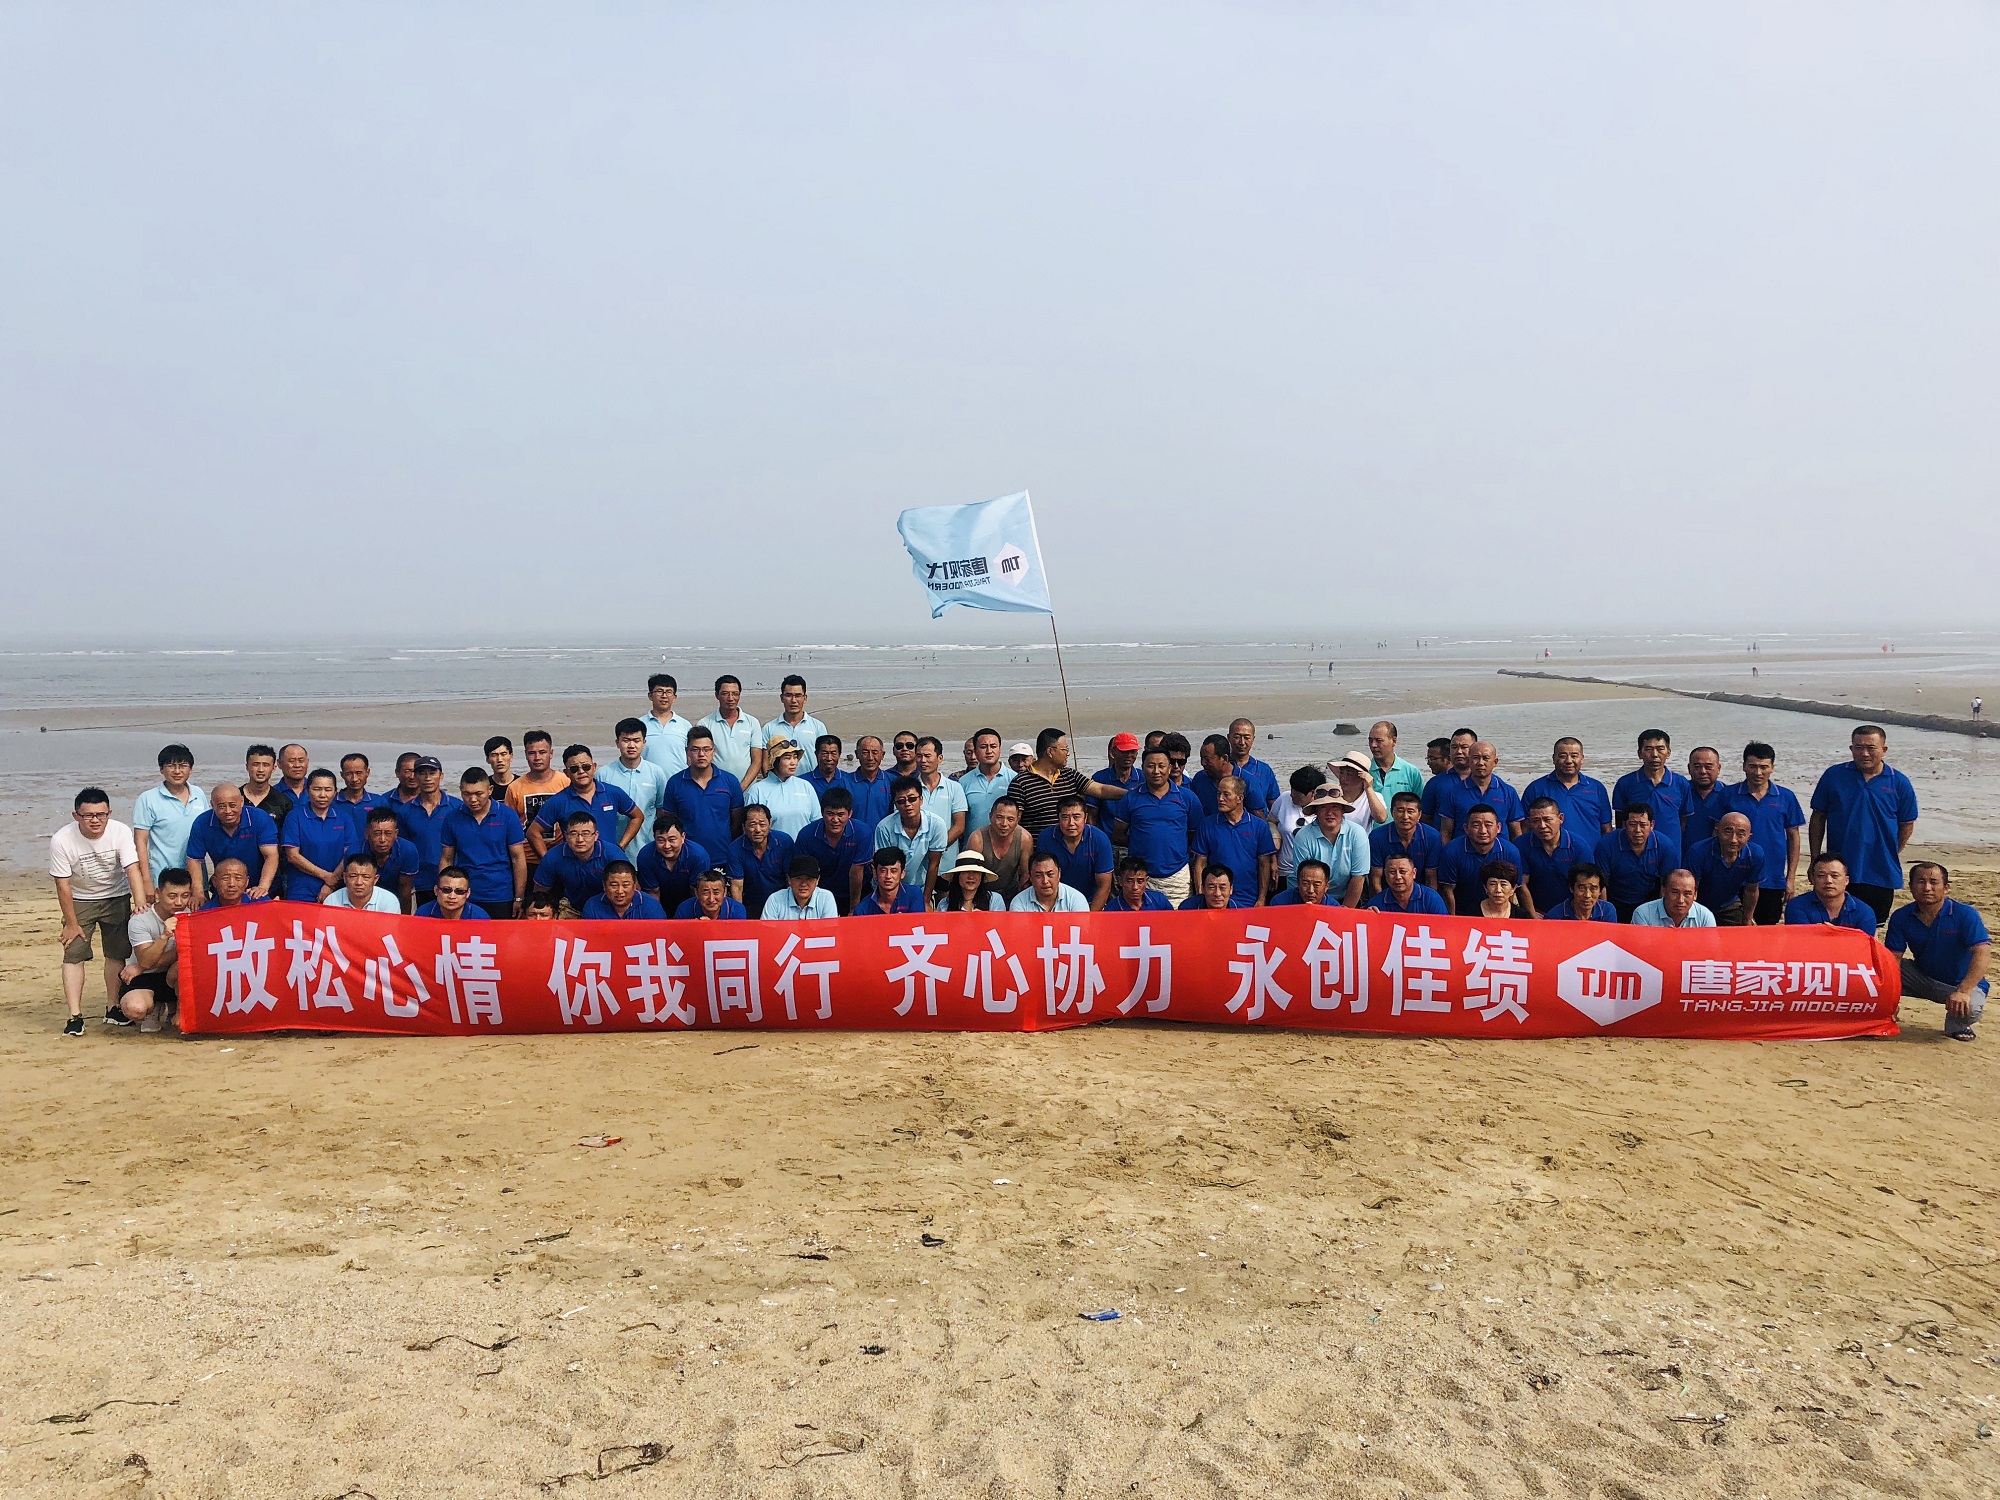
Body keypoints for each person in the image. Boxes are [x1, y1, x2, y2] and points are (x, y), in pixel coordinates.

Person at [51, 788, 147, 1036]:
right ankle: (75, 1016)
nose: (95, 820)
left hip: (116, 896)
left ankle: (113, 1008)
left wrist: (139, 904)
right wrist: (71, 923)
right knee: (74, 953)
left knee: (116, 953)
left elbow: (132, 869)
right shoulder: (62, 839)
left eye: (101, 814)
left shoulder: (120, 831)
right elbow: (62, 885)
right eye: (88, 815)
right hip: (80, 899)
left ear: (109, 813)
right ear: (76, 816)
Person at [1809, 725, 1918, 928]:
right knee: (1835, 926)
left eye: (1871, 748)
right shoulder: (1834, 775)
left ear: (1884, 750)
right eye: (1858, 747)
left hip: (1880, 871)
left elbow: (1907, 824)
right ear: (1851, 749)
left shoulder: (1899, 782)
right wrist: (1815, 859)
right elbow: (1818, 817)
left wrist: (1890, 851)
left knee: (1871, 929)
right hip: (1839, 868)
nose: (1864, 753)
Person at [1885, 863, 1988, 1041]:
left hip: (1958, 983)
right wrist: (1889, 1000)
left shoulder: (1965, 914)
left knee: (1970, 1010)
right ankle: (1880, 1015)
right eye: (1920, 882)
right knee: (1875, 973)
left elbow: (1983, 953)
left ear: (1946, 888)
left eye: (1933, 882)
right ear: (1911, 887)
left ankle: (1957, 1025)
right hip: (1921, 976)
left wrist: (1963, 991)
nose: (1927, 888)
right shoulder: (1901, 916)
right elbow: (1894, 958)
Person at [1725, 741, 1806, 925]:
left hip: (1772, 879)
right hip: (1734, 877)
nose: (1758, 772)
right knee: (1733, 928)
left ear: (1772, 768)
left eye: (1764, 767)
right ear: (1744, 766)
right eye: (1753, 766)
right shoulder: (1728, 794)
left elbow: (1793, 837)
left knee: (1766, 928)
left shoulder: (1786, 797)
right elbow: (1717, 833)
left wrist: (1791, 878)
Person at [1112, 746, 1202, 904]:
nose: (1156, 771)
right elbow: (1118, 835)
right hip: (1141, 878)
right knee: (1142, 918)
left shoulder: (1188, 797)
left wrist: (1175, 847)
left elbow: (1194, 835)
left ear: (1169, 768)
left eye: (1161, 766)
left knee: (1179, 918)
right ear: (1142, 767)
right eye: (1151, 766)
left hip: (1177, 876)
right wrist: (1142, 842)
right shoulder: (1131, 798)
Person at [438, 768, 528, 919]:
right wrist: (444, 892)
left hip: (500, 894)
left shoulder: (508, 816)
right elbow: (447, 859)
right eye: (467, 794)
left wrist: (519, 897)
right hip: (464, 893)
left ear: (490, 790)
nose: (473, 799)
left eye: (479, 794)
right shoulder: (452, 818)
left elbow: (518, 858)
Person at [529, 745, 642, 861]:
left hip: (609, 863)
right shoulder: (558, 801)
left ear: (594, 767)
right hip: (573, 864)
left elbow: (637, 816)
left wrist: (621, 846)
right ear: (566, 773)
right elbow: (533, 832)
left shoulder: (613, 793)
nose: (581, 772)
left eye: (586, 767)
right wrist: (548, 861)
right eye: (574, 769)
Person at [118, 867, 193, 1032]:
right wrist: (164, 936)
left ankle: (174, 1007)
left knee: (182, 967)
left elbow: (191, 952)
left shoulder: (192, 915)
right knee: (135, 1008)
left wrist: (139, 967)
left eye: (185, 896)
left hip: (175, 976)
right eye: (172, 896)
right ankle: (154, 1008)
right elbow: (145, 960)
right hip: (146, 976)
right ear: (158, 893)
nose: (179, 902)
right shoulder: (140, 919)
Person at [1013, 728, 1126, 836]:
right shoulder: (1020, 783)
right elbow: (1014, 823)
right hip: (1039, 847)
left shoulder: (1070, 775)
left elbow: (1101, 790)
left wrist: (1130, 795)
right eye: (1065, 749)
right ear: (1050, 751)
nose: (1068, 754)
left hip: (1070, 846)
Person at [184, 783, 279, 904]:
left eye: (232, 805)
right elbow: (195, 860)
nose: (228, 811)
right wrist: (198, 893)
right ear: (212, 805)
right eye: (221, 806)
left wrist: (263, 886)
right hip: (225, 887)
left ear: (242, 802)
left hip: (259, 885)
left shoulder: (259, 818)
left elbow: (271, 855)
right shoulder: (202, 823)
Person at [1189, 778, 1276, 905]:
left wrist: (1262, 899)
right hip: (1216, 898)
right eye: (1218, 794)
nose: (1220, 799)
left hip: (1249, 898)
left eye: (1226, 794)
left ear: (1240, 798)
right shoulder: (1207, 825)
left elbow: (1264, 864)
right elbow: (1200, 863)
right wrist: (1201, 896)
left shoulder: (1259, 826)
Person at [664, 726, 746, 859]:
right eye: (695, 749)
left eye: (706, 749)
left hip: (723, 857)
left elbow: (737, 823)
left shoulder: (730, 781)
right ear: (687, 752)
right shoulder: (675, 783)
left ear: (714, 751)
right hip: (687, 858)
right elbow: (669, 823)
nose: (701, 754)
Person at [390, 756, 462, 907]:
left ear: (441, 776)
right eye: (422, 773)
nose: (427, 778)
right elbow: (402, 849)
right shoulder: (405, 811)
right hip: (417, 883)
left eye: (432, 773)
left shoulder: (457, 807)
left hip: (451, 884)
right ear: (416, 777)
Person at [133, 744, 207, 886]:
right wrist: (146, 880)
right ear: (162, 769)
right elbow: (140, 842)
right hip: (163, 877)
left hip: (196, 875)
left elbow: (208, 831)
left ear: (190, 769)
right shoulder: (148, 799)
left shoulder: (199, 794)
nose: (177, 771)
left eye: (182, 766)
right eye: (171, 766)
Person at [282, 769, 360, 902]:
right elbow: (292, 856)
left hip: (338, 886)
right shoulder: (295, 816)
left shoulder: (344, 818)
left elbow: (350, 854)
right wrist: (326, 876)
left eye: (328, 790)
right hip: (302, 888)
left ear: (335, 792)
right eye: (317, 789)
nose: (322, 795)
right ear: (307, 791)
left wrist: (331, 882)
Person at [1614, 730, 1692, 859]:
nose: (1655, 755)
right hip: (1635, 851)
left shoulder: (1680, 783)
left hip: (1671, 850)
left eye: (1660, 749)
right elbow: (1620, 821)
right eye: (1648, 749)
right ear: (1640, 753)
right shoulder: (1625, 783)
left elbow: (1683, 819)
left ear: (1668, 752)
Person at [600, 718, 671, 857]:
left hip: (647, 848)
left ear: (644, 743)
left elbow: (660, 811)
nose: (631, 745)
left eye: (636, 740)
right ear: (617, 743)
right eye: (626, 740)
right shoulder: (603, 774)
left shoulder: (656, 773)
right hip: (612, 849)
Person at [1522, 738, 1612, 846]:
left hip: (1590, 854)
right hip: (1547, 853)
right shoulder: (1536, 788)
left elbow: (1606, 828)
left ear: (1582, 759)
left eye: (1574, 756)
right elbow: (1525, 827)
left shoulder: (1596, 788)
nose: (1569, 761)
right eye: (1562, 756)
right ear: (1553, 759)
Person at [793, 788, 868, 913]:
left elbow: (856, 873)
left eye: (840, 814)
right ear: (822, 812)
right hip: (819, 894)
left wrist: (853, 910)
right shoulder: (806, 835)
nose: (835, 820)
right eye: (830, 814)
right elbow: (803, 873)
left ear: (850, 814)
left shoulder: (862, 833)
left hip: (854, 892)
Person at [1290, 788, 1369, 907]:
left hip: (1347, 895)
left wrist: (1344, 911)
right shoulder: (1303, 836)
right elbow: (1304, 878)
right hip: (1311, 896)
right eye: (1323, 807)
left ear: (1343, 810)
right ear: (1316, 811)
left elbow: (1358, 877)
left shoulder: (1357, 833)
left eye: (1335, 807)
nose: (1329, 812)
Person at [1514, 796, 1589, 920]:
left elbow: (1588, 884)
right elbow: (1522, 884)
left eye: (1547, 819)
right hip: (1536, 911)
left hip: (1572, 913)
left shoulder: (1579, 846)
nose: (1542, 826)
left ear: (1560, 818)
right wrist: (1532, 915)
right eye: (1535, 821)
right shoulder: (1521, 845)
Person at [532, 812, 621, 914]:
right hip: (571, 906)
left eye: (586, 834)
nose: (580, 840)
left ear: (596, 835)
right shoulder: (553, 856)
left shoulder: (613, 855)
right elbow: (539, 892)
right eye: (573, 834)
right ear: (566, 836)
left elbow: (628, 889)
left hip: (608, 907)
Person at [1439, 806, 1522, 915]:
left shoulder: (1510, 852)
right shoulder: (1451, 851)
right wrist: (1453, 920)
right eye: (1476, 825)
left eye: (1488, 825)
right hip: (1462, 912)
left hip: (1498, 913)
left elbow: (1512, 889)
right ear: (1466, 828)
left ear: (1498, 828)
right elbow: (1447, 890)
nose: (1483, 831)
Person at [1592, 805, 1670, 922]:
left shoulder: (1664, 845)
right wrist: (1605, 914)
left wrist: (1660, 916)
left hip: (1649, 902)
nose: (1637, 830)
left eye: (1643, 825)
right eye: (1632, 824)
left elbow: (1666, 884)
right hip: (1615, 901)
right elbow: (1601, 884)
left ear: (1652, 825)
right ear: (1624, 825)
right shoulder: (1606, 845)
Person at [874, 775, 950, 894]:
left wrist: (926, 898)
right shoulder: (884, 828)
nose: (907, 804)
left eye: (912, 799)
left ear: (921, 800)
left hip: (921, 887)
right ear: (895, 804)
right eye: (901, 801)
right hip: (888, 888)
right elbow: (884, 865)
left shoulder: (936, 824)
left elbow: (934, 865)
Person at [1037, 796, 1116, 909]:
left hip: (1090, 902)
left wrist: (1089, 917)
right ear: (1058, 818)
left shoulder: (1100, 840)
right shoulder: (1045, 838)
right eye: (1065, 817)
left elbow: (1104, 887)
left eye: (1076, 817)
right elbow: (1042, 878)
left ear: (1085, 818)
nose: (1071, 823)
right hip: (1057, 903)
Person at [1685, 812, 1763, 926]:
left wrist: (1748, 919)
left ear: (1749, 837)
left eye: (1740, 834)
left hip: (1729, 904)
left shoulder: (1755, 854)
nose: (1733, 840)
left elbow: (1751, 890)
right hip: (1699, 904)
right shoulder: (1698, 852)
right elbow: (1689, 889)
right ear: (1717, 831)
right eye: (1728, 832)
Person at [1436, 742, 1525, 842]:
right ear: (1469, 761)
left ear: (1495, 762)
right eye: (1476, 758)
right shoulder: (1453, 792)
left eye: (1486, 758)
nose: (1480, 763)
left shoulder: (1508, 792)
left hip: (1500, 850)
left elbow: (1516, 832)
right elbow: (1446, 832)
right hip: (1463, 849)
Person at [504, 731, 570, 854]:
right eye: (532, 753)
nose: (537, 758)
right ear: (525, 754)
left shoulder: (565, 782)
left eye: (542, 752)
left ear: (551, 753)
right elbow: (509, 826)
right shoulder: (515, 787)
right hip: (527, 855)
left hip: (560, 853)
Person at [1367, 791, 1443, 894]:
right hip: (1387, 893)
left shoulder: (1432, 837)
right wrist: (1380, 901)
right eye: (1400, 810)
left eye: (1410, 811)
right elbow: (1375, 878)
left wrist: (1428, 900)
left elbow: (1431, 877)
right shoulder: (1377, 837)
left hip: (1421, 893)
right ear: (1392, 812)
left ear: (1419, 814)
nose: (1405, 816)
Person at [745, 737, 822, 838]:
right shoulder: (757, 790)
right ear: (775, 761)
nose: (793, 762)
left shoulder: (805, 786)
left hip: (803, 847)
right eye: (787, 758)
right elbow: (750, 828)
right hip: (773, 847)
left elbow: (816, 822)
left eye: (795, 757)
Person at [636, 811, 711, 913]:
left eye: (672, 840)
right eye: (661, 840)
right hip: (660, 901)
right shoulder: (645, 856)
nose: (667, 846)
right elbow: (653, 893)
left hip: (689, 902)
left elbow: (696, 893)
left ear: (683, 837)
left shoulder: (698, 856)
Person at [727, 803, 794, 916]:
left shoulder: (784, 842)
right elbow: (737, 888)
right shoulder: (735, 849)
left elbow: (790, 879)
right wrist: (739, 919)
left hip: (781, 903)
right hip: (751, 904)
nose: (757, 830)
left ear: (770, 823)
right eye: (752, 825)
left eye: (762, 824)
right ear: (744, 826)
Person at [966, 795, 1034, 905]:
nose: (1004, 824)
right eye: (999, 817)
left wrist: (1020, 903)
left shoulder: (1025, 838)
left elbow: (1025, 876)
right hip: (982, 894)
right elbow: (971, 875)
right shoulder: (977, 839)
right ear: (990, 816)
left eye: (1010, 819)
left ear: (1018, 820)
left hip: (1012, 893)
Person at [1784, 853, 1878, 932]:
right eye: (1821, 875)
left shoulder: (1864, 912)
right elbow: (1803, 942)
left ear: (1846, 880)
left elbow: (1864, 945)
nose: (1828, 881)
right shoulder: (1797, 906)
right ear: (1812, 879)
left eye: (1834, 876)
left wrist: (1831, 932)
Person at [912, 735, 970, 859]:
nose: (923, 760)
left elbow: (959, 826)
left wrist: (937, 848)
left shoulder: (955, 787)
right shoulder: (909, 789)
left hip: (947, 861)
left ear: (940, 758)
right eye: (919, 756)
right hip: (915, 860)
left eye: (927, 756)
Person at [701, 674, 763, 785]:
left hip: (747, 789)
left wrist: (741, 788)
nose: (730, 698)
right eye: (725, 694)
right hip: (716, 788)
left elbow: (757, 761)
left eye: (735, 694)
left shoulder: (752, 722)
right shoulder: (705, 724)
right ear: (717, 695)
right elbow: (702, 760)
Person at [960, 728, 1016, 842]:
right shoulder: (963, 782)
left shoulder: (1014, 779)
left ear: (1000, 749)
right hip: (973, 845)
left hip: (1007, 845)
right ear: (976, 751)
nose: (989, 751)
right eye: (983, 747)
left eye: (993, 746)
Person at [359, 807, 420, 912]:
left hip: (400, 893)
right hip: (366, 894)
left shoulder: (408, 850)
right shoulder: (356, 851)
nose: (383, 839)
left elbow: (405, 890)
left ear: (396, 834)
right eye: (377, 833)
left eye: (388, 833)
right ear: (367, 834)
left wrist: (404, 919)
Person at [761, 674, 828, 769]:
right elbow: (764, 763)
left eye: (798, 696)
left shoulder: (818, 727)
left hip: (810, 778)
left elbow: (824, 758)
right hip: (778, 779)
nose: (793, 700)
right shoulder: (769, 728)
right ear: (782, 698)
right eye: (788, 695)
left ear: (805, 698)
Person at [1272, 765, 1322, 882]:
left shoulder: (1324, 810)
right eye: (1291, 789)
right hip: (1284, 872)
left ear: (1312, 793)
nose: (1291, 794)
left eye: (1297, 793)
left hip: (1312, 877)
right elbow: (1271, 821)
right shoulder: (1284, 798)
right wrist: (1275, 838)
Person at [1419, 729, 1477, 827]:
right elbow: (1425, 819)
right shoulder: (1435, 783)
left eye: (1464, 747)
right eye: (1454, 747)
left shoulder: (1487, 782)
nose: (1459, 751)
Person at [1090, 733, 1143, 840]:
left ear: (1137, 753)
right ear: (1113, 752)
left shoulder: (1144, 778)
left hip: (1136, 842)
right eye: (1124, 751)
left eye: (1132, 751)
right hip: (1107, 842)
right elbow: (1091, 815)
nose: (1128, 755)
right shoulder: (1099, 778)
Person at [1225, 719, 1283, 814]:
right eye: (1237, 737)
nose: (1242, 742)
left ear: (1253, 739)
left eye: (1247, 738)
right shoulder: (1222, 768)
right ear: (1229, 737)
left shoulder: (1264, 770)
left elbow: (1274, 805)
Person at [640, 673, 692, 777]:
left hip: (679, 782)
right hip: (648, 781)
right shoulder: (640, 724)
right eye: (659, 691)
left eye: (668, 692)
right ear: (650, 695)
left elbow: (691, 757)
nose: (664, 696)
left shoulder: (685, 725)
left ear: (674, 697)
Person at [582, 860, 671, 920]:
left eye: (625, 885)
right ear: (604, 886)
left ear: (635, 885)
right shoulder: (592, 906)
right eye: (614, 885)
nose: (620, 891)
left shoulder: (651, 907)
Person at [1367, 852, 1449, 915]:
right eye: (1392, 872)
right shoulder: (1376, 903)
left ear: (1414, 873)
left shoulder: (1431, 899)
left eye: (1402, 871)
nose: (1398, 877)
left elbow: (1444, 927)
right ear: (1385, 874)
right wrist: (1369, 916)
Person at [1327, 752, 1389, 837]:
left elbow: (1381, 818)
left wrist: (1369, 788)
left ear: (1361, 778)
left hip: (1359, 843)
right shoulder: (1331, 794)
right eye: (1341, 773)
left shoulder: (1373, 797)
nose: (1343, 778)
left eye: (1349, 774)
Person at [1631, 868, 1717, 928]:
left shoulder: (1705, 917)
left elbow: (1710, 947)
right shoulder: (1643, 914)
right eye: (1675, 892)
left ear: (1695, 895)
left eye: (1687, 894)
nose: (1680, 900)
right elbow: (1640, 947)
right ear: (1663, 891)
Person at [1365, 721, 1426, 805]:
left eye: (1379, 741)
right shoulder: (1364, 771)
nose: (1373, 745)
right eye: (1370, 740)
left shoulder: (1411, 772)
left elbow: (1420, 804)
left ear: (1393, 741)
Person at [762, 854, 839, 920]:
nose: (803, 884)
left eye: (809, 879)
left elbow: (830, 931)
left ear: (817, 880)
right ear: (789, 880)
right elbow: (767, 931)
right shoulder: (775, 900)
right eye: (798, 878)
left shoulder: (826, 898)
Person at [1009, 850, 1090, 913]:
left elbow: (1082, 928)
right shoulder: (1019, 902)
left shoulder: (1076, 899)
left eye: (1050, 874)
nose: (1045, 881)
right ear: (1030, 877)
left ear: (1059, 874)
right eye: (1038, 875)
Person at [853, 848, 927, 915]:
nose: (888, 876)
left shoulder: (914, 895)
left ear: (902, 873)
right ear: (875, 873)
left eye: (893, 871)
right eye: (883, 871)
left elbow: (919, 924)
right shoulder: (862, 910)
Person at [323, 851, 402, 913]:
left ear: (375, 879)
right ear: (345, 877)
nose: (359, 882)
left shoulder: (389, 901)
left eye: (366, 877)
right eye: (353, 876)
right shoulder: (332, 900)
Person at [241, 743, 295, 832]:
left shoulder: (283, 803)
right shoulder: (235, 798)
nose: (260, 770)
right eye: (256, 764)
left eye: (266, 765)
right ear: (247, 767)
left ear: (273, 768)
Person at [1682, 747, 1728, 850]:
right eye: (1697, 767)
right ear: (1689, 768)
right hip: (1683, 854)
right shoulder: (1680, 792)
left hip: (1715, 855)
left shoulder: (1728, 795)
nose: (1703, 771)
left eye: (1708, 767)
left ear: (1719, 768)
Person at [845, 735, 894, 832]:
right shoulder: (844, 783)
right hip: (854, 838)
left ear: (882, 755)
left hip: (884, 838)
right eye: (865, 752)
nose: (870, 757)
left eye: (875, 752)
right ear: (857, 754)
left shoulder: (892, 782)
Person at [333, 752, 387, 839]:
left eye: (359, 773)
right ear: (342, 775)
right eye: (349, 774)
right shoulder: (331, 802)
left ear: (367, 772)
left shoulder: (379, 802)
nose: (354, 779)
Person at [1545, 864, 1617, 922]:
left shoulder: (1607, 911)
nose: (1587, 895)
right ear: (1571, 888)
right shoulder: (1554, 917)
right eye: (1582, 888)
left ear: (1600, 891)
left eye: (1593, 889)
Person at [939, 851, 1006, 912]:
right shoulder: (944, 904)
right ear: (957, 875)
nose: (971, 877)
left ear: (982, 876)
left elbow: (999, 921)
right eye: (966, 872)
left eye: (976, 872)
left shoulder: (994, 900)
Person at [416, 866, 490, 920]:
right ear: (436, 890)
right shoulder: (423, 914)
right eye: (446, 890)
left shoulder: (480, 917)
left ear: (468, 893)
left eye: (459, 891)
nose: (452, 896)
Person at [675, 868, 748, 922]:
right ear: (697, 893)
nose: (711, 899)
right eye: (705, 893)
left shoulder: (737, 910)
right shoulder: (684, 910)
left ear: (725, 892)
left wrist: (711, 927)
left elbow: (738, 937)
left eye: (716, 893)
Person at [1105, 856, 1175, 913]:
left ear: (1146, 880)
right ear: (1120, 881)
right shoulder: (1111, 910)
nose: (1135, 887)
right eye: (1129, 881)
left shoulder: (1160, 900)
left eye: (1140, 881)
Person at [1179, 864, 1251, 911]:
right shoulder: (1187, 909)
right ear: (1203, 889)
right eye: (1211, 887)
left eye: (1222, 888)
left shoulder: (1242, 912)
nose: (1217, 894)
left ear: (1231, 889)